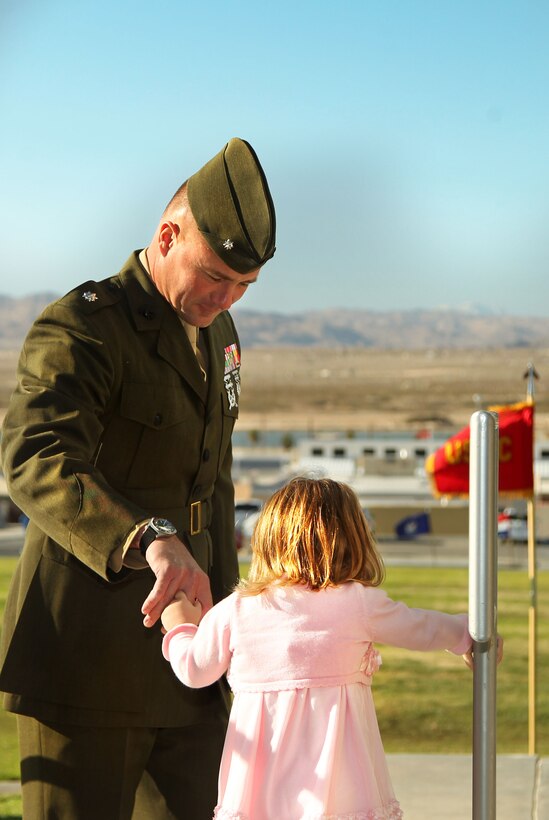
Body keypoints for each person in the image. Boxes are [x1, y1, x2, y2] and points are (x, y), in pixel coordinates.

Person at [0, 137, 276, 820]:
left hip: (191, 660)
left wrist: (233, 614)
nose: (225, 296)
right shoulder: (85, 327)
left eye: (242, 285)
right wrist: (146, 536)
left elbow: (211, 483)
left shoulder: (217, 331)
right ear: (166, 235)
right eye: (215, 274)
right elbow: (35, 455)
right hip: (86, 660)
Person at [161, 476, 504, 820]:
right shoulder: (358, 603)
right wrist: (467, 634)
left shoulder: (236, 611)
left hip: (259, 797)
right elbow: (422, 628)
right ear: (353, 540)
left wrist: (181, 626)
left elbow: (194, 668)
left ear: (268, 540)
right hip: (342, 794)